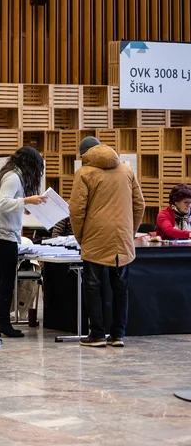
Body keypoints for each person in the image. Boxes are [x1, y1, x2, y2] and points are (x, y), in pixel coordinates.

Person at [70, 136, 145, 348]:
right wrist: (130, 231)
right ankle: (118, 334)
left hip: (95, 236)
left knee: (93, 286)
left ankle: (96, 334)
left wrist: (81, 237)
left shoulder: (84, 173)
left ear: (83, 155)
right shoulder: (126, 171)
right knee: (120, 287)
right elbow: (140, 204)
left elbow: (76, 210)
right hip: (122, 238)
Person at [0, 146, 46, 338]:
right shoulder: (13, 177)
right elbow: (3, 203)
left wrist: (22, 205)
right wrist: (27, 200)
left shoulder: (10, 174)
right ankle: (2, 322)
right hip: (2, 234)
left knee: (2, 278)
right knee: (7, 280)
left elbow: (8, 203)